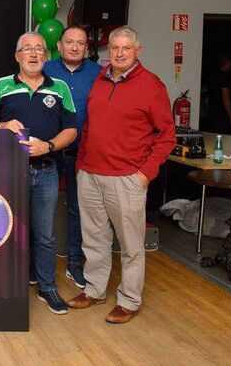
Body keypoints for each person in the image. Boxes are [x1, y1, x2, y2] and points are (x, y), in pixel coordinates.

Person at [68, 27, 175, 324]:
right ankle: (94, 289)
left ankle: (129, 300)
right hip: (90, 173)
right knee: (94, 239)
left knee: (130, 245)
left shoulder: (152, 86)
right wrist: (81, 163)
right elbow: (89, 126)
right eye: (114, 47)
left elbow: (167, 136)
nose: (119, 53)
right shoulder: (100, 80)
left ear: (137, 51)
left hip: (127, 177)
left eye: (126, 48)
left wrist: (145, 174)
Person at [0, 31, 77, 315]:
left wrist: (47, 146)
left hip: (47, 170)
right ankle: (6, 288)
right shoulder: (1, 86)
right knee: (7, 231)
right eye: (27, 48)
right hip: (7, 173)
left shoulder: (59, 87)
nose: (33, 53)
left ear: (46, 56)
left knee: (45, 234)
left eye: (39, 49)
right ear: (17, 56)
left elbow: (71, 130)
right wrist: (2, 126)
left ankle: (47, 286)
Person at [43, 26, 101, 289]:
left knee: (79, 211)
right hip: (50, 152)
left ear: (86, 47)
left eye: (80, 43)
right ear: (59, 44)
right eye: (69, 42)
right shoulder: (45, 71)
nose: (75, 47)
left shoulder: (99, 74)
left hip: (84, 154)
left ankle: (75, 262)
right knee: (42, 209)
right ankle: (38, 265)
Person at [205, 53, 231, 134]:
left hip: (212, 112)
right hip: (222, 115)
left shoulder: (213, 76)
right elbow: (225, 97)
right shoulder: (225, 77)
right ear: (228, 62)